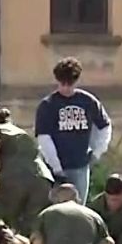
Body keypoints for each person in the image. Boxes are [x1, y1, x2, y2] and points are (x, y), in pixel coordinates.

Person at [35, 57, 113, 202]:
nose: (65, 88)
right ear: (57, 81)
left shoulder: (88, 101)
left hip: (80, 166)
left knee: (79, 208)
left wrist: (96, 152)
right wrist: (56, 167)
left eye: (69, 84)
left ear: (75, 82)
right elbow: (44, 139)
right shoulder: (48, 105)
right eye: (62, 84)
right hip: (54, 168)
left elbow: (105, 126)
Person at [0, 106, 55, 237]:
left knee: (9, 225)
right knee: (34, 225)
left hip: (14, 179)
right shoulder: (23, 133)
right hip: (42, 178)